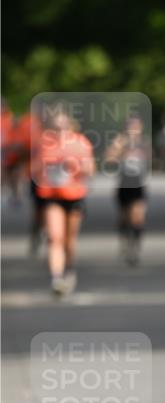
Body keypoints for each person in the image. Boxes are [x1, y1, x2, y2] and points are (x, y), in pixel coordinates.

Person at [34, 103, 95, 296]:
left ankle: (69, 268)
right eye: (56, 128)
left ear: (70, 125)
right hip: (51, 196)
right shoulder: (43, 144)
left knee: (69, 241)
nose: (60, 131)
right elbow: (35, 170)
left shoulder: (80, 143)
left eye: (63, 127)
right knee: (55, 237)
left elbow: (90, 170)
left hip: (74, 195)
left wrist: (73, 166)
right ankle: (56, 278)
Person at [105, 115, 151, 265]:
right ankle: (124, 240)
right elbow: (109, 159)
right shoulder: (120, 142)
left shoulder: (144, 143)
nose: (133, 130)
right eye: (130, 127)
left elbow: (150, 159)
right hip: (123, 185)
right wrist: (120, 149)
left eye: (136, 127)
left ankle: (135, 247)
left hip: (139, 185)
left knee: (138, 217)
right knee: (124, 218)